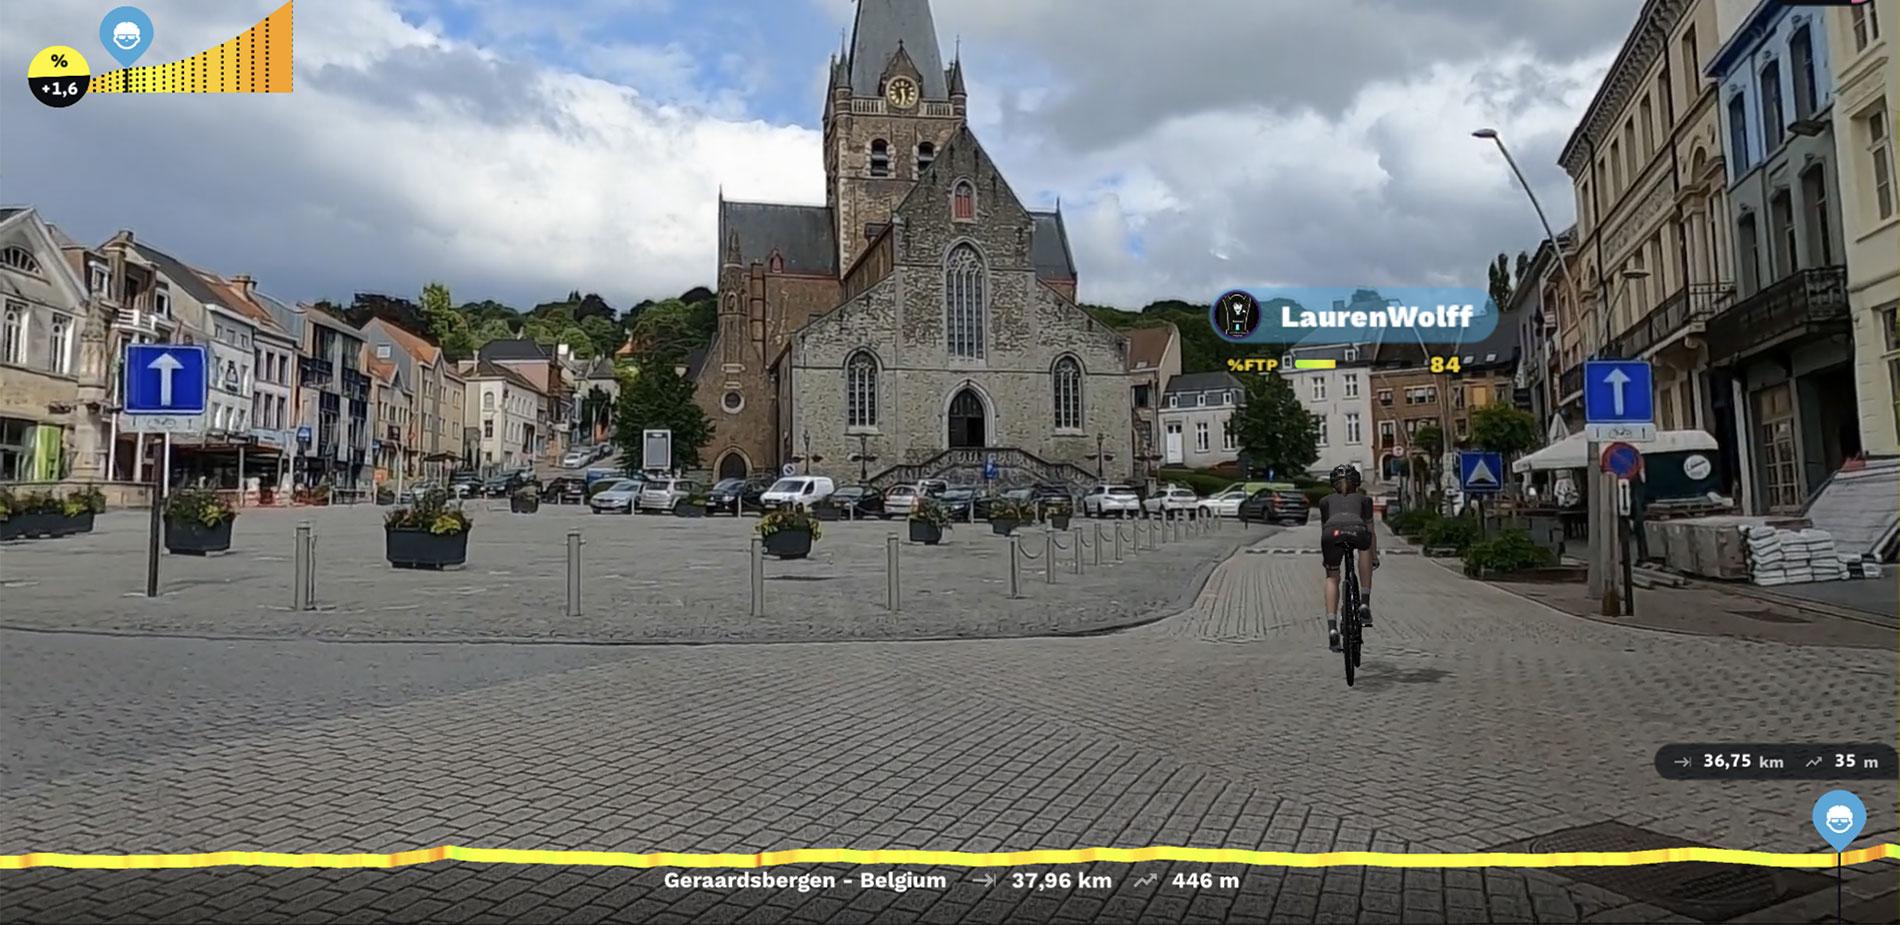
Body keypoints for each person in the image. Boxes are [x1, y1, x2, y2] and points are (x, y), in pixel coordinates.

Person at [1318, 464, 1376, 653]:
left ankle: (1332, 627)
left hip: (1331, 535)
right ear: (1357, 484)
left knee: (1332, 576)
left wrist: (1327, 558)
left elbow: (1324, 528)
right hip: (1357, 531)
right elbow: (1371, 530)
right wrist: (1374, 556)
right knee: (1365, 549)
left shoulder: (1325, 501)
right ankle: (1364, 602)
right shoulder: (1364, 500)